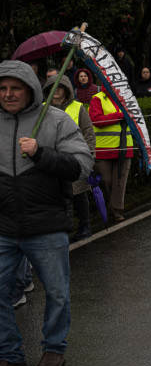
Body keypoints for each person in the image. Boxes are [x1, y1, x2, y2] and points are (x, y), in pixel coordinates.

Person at [0, 60, 94, 366]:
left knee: (57, 292)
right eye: (2, 88)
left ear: (31, 90)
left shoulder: (54, 120)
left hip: (47, 225)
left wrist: (41, 152)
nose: (8, 94)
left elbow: (81, 165)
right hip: (4, 227)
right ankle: (10, 356)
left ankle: (54, 348)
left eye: (15, 88)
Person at [42, 73, 96, 241]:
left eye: (60, 86)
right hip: (51, 161)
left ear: (66, 89)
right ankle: (62, 229)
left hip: (74, 161)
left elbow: (89, 133)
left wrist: (87, 157)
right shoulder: (41, 108)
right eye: (52, 87)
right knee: (56, 198)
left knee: (79, 195)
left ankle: (84, 226)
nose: (56, 90)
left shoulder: (78, 107)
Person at [89, 75, 135, 222]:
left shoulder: (127, 99)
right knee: (106, 181)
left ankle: (115, 210)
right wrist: (119, 116)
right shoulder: (97, 98)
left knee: (120, 181)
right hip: (103, 148)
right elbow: (95, 120)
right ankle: (108, 207)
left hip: (125, 147)